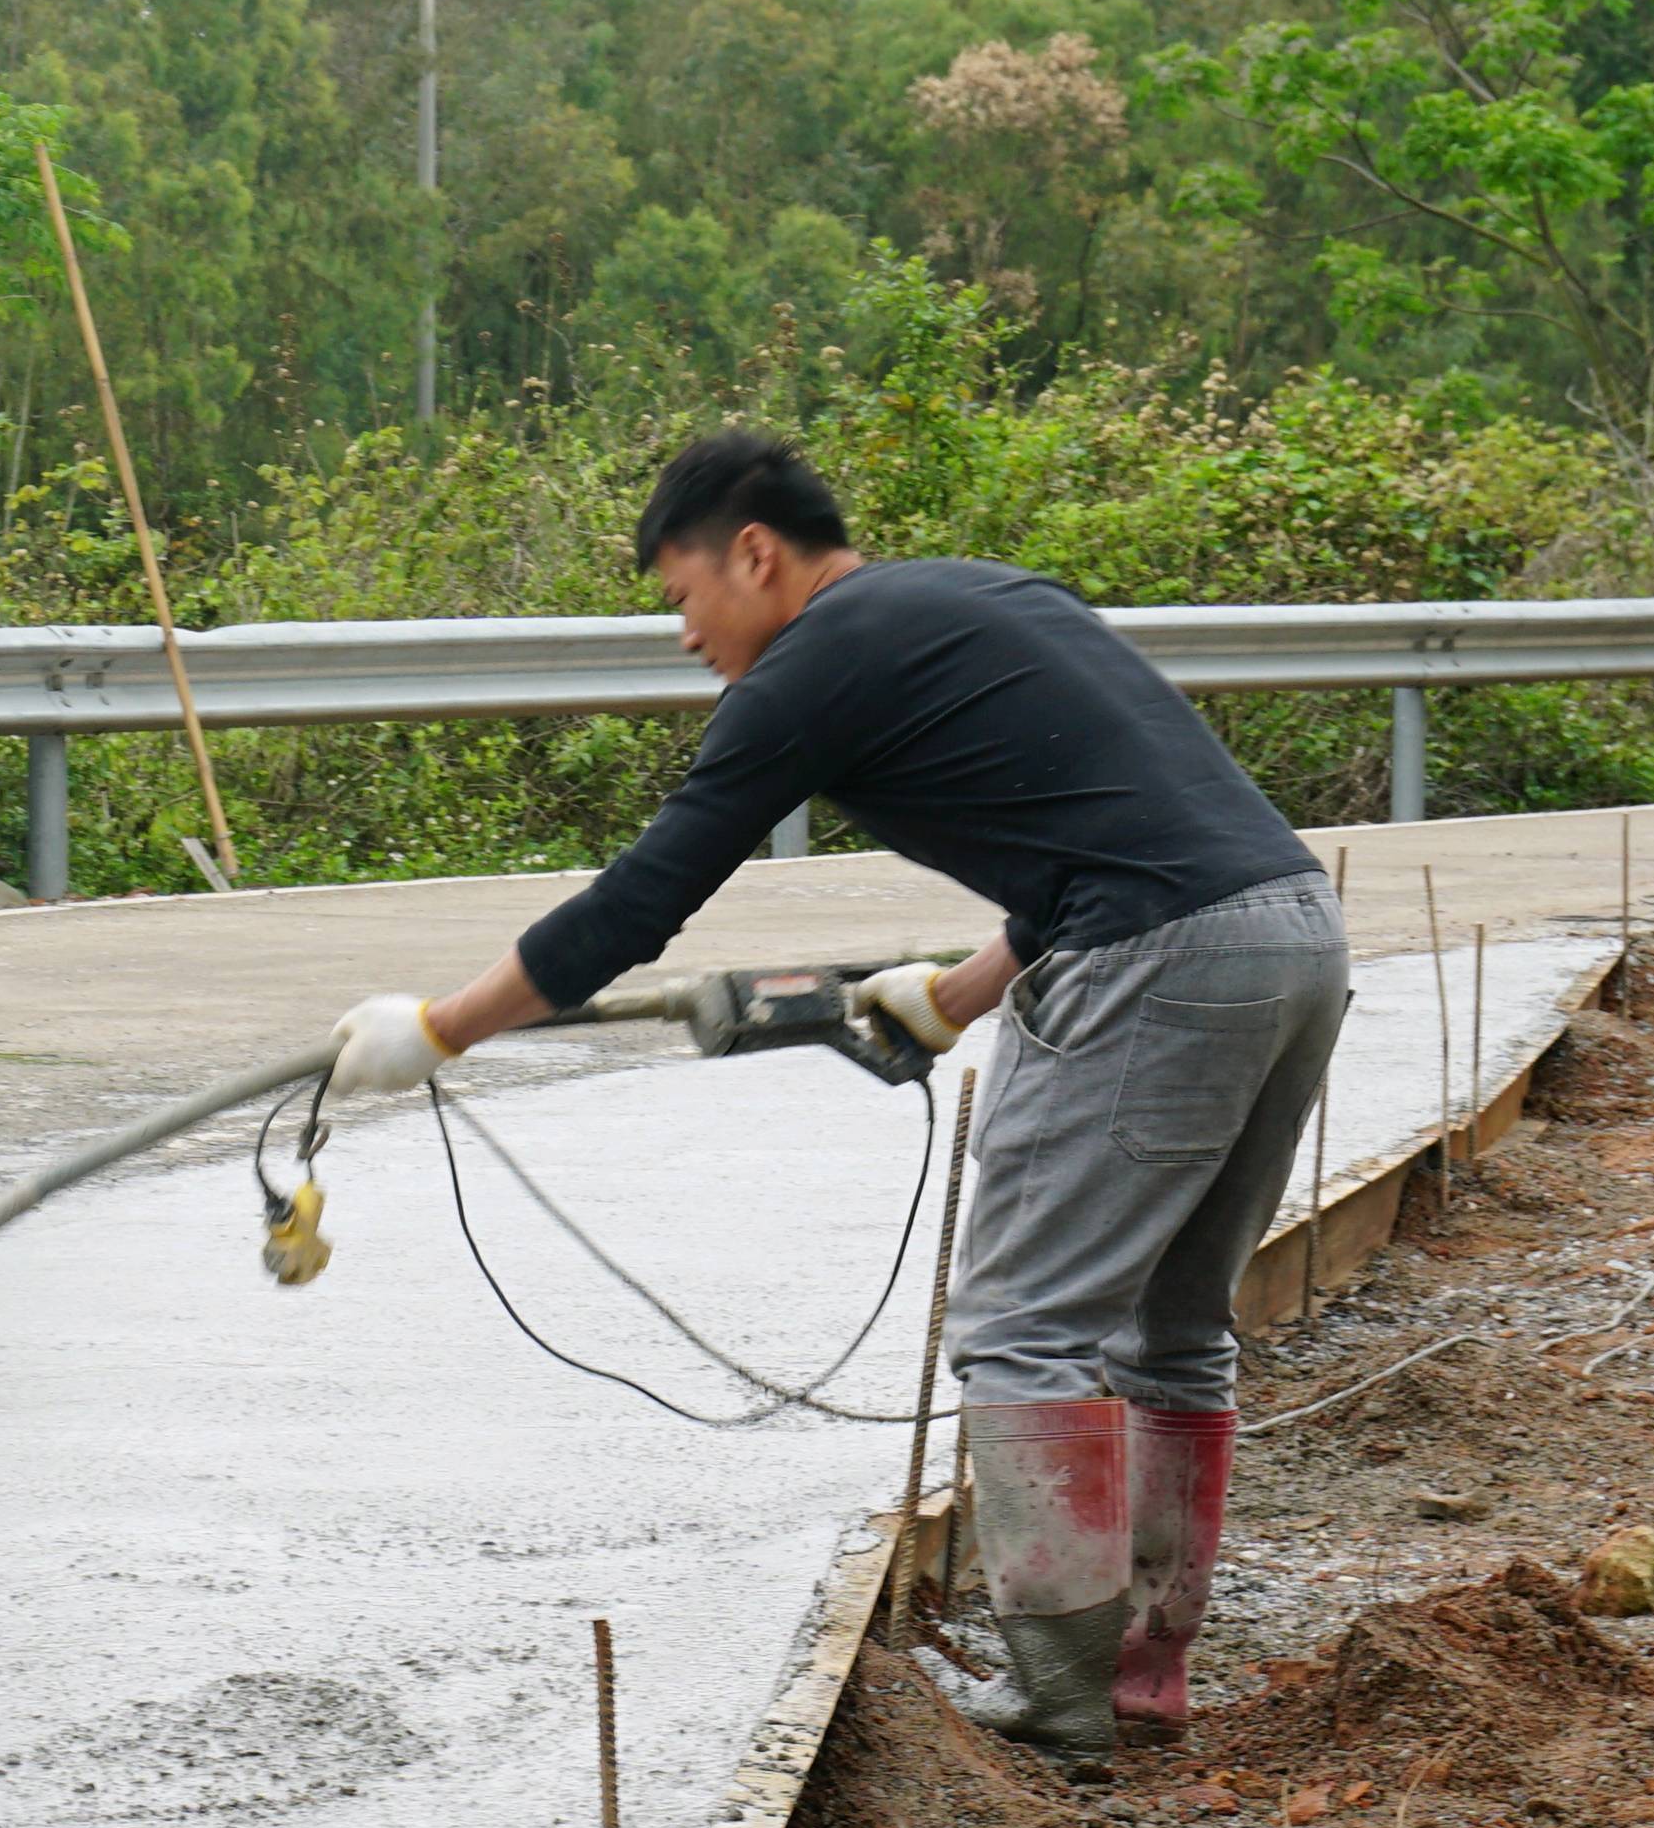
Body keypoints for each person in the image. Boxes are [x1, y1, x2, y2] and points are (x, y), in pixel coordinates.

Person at [315, 429, 1344, 1759]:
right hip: (1291, 933)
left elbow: (643, 904)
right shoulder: (990, 595)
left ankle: (1063, 1693)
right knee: (1171, 1332)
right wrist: (955, 994)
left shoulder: (806, 671)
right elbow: (1112, 831)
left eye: (682, 597)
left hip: (1155, 961)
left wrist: (441, 1031)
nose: (685, 636)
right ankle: (1139, 1675)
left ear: (754, 553)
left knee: (1026, 1327)